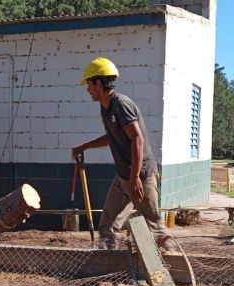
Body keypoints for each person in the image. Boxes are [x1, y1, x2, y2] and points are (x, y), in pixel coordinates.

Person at [71, 58, 175, 251]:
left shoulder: (121, 105)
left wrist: (135, 177)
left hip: (141, 176)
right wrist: (84, 146)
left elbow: (137, 139)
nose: (88, 90)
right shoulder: (105, 107)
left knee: (154, 228)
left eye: (89, 84)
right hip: (123, 177)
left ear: (99, 83)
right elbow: (113, 136)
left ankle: (174, 267)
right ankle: (105, 262)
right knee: (108, 224)